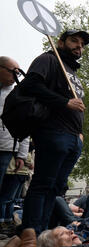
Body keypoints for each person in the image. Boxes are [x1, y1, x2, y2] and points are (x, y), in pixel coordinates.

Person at [18, 30, 89, 235]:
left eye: (82, 44)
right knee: (43, 184)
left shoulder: (71, 70)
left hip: (73, 138)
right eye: (74, 41)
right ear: (60, 42)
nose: (79, 46)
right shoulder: (49, 59)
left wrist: (79, 134)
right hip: (53, 132)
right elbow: (30, 85)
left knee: (56, 188)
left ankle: (44, 233)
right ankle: (30, 233)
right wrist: (64, 102)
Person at [0, 56, 29, 191]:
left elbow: (24, 125)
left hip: (5, 149)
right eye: (14, 72)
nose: (16, 75)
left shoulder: (18, 95)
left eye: (18, 73)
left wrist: (22, 155)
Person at [0, 148, 34, 236]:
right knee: (6, 199)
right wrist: (29, 161)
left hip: (21, 172)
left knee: (12, 200)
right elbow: (27, 159)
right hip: (14, 171)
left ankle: (8, 221)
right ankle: (3, 222)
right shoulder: (22, 141)